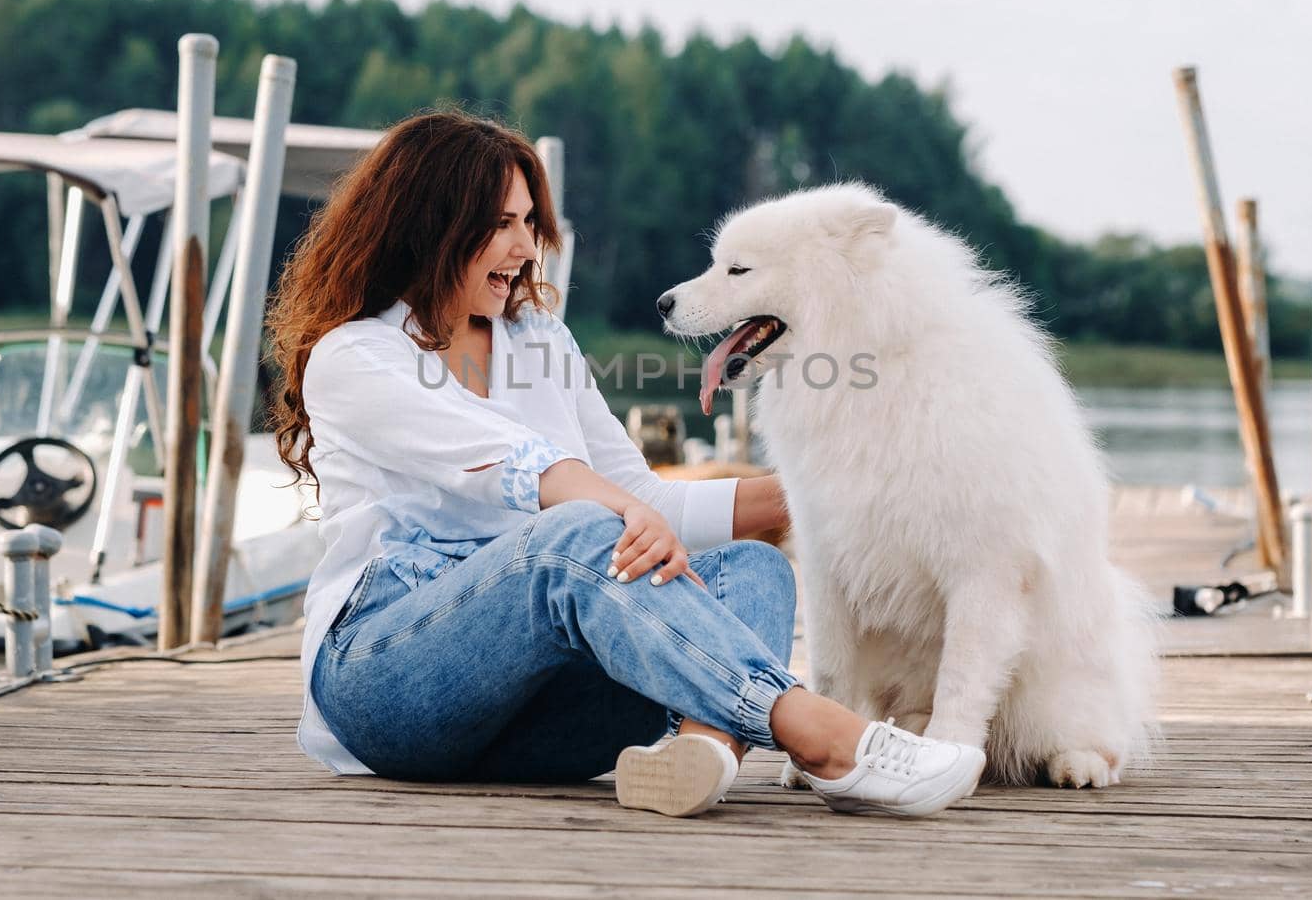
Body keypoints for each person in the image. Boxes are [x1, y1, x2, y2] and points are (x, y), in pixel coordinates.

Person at [267, 110, 985, 818]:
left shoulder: (538, 340)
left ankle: (703, 751)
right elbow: (514, 466)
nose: (526, 245)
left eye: (528, 221)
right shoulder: (354, 356)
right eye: (501, 223)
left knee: (750, 568)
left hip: (533, 717)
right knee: (574, 534)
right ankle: (826, 736)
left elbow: (642, 497)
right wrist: (619, 515)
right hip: (389, 685)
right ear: (429, 223)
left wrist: (832, 488)